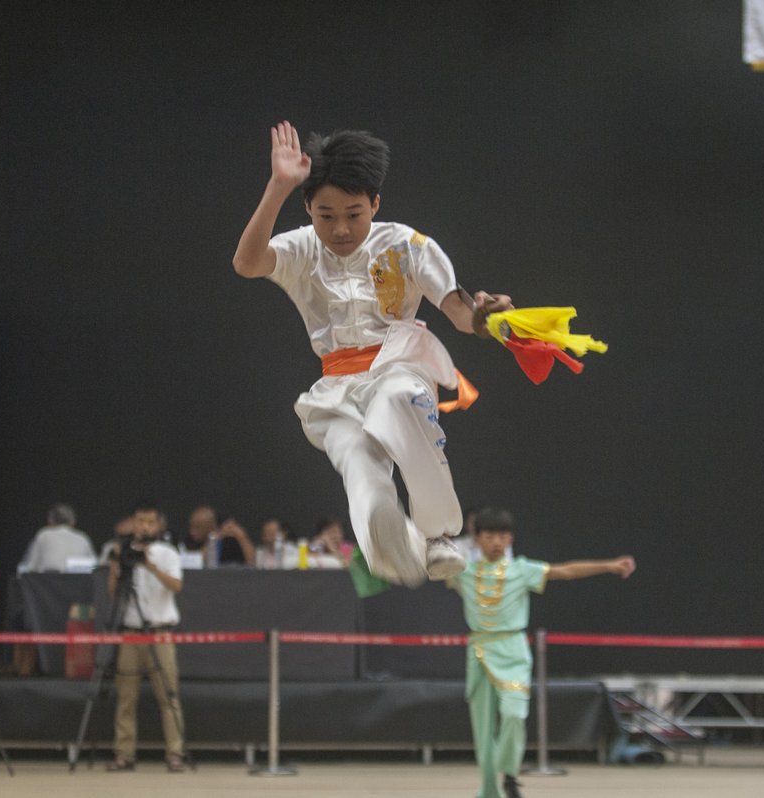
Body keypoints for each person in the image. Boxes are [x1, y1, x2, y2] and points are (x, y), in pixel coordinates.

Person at [233, 121, 514, 587]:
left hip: (397, 366)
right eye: (326, 215)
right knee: (361, 471)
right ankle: (391, 545)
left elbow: (461, 313)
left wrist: (486, 317)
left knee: (398, 402)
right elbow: (247, 263)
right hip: (335, 390)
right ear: (308, 208)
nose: (340, 228)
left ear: (375, 205)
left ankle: (439, 533)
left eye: (353, 213)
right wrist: (278, 186)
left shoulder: (408, 245)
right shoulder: (302, 248)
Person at [450, 508, 634, 798]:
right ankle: (489, 790)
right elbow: (417, 566)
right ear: (477, 539)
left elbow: (567, 570)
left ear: (510, 538)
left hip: (512, 650)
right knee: (483, 731)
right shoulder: (462, 571)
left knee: (513, 713)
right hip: (479, 652)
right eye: (489, 536)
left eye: (502, 536)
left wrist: (608, 565)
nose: (496, 542)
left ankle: (509, 772)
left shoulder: (522, 570)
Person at [106, 502, 186, 773]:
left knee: (168, 695)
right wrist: (117, 564)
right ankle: (124, 754)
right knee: (126, 696)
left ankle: (175, 753)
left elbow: (176, 586)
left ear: (158, 525)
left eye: (150, 522)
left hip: (160, 631)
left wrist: (151, 567)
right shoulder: (124, 553)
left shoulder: (167, 553)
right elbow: (113, 593)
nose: (144, 527)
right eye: (140, 521)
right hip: (131, 632)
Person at [17, 503, 96, 573]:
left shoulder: (44, 535)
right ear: (73, 522)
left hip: (46, 586)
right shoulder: (83, 538)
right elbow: (94, 567)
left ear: (50, 520)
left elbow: (30, 566)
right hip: (77, 586)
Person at [177, 505, 255, 567]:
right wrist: (213, 540)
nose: (192, 532)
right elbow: (196, 561)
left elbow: (252, 562)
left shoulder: (230, 541)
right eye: (191, 527)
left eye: (198, 528)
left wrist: (241, 536)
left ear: (212, 527)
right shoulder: (189, 541)